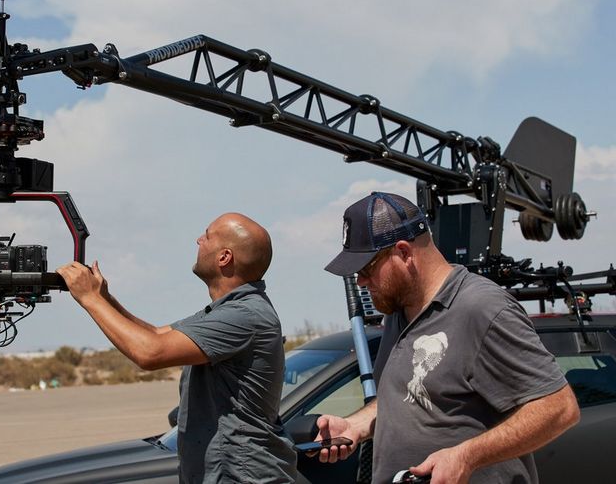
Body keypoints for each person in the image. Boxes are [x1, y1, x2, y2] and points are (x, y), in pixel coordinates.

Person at [315, 192, 580, 484]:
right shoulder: (398, 312)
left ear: (404, 253)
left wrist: (466, 456)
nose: (361, 282)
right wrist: (355, 425)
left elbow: (559, 408)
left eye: (366, 269)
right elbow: (410, 396)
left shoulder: (481, 308)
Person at [57, 212, 297, 484]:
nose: (198, 240)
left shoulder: (244, 316)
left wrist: (89, 298)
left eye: (207, 236)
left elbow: (150, 353)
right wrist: (105, 298)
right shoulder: (229, 311)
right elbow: (157, 335)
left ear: (224, 257)